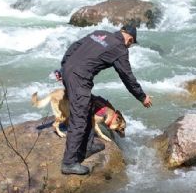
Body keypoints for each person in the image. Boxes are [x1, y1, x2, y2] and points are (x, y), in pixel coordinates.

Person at [60, 25, 152, 175]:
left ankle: (87, 147)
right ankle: (69, 163)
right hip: (79, 79)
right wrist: (142, 97)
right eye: (131, 43)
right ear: (130, 39)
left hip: (69, 70)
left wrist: (64, 67)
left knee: (88, 107)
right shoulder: (120, 49)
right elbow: (127, 76)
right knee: (79, 118)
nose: (129, 46)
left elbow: (74, 46)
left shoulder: (100, 33)